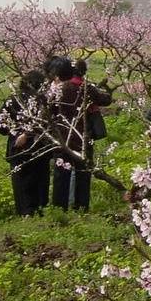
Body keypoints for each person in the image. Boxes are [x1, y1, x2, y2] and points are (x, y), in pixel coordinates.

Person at [48, 58, 113, 211]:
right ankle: (82, 207)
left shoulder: (58, 90)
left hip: (62, 136)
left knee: (61, 174)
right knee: (83, 173)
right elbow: (105, 100)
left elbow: (48, 111)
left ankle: (59, 207)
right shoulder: (86, 88)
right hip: (83, 136)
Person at [0, 70, 52, 216]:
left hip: (18, 148)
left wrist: (14, 132)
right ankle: (40, 210)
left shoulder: (14, 99)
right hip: (41, 147)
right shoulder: (44, 101)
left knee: (21, 184)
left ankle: (25, 213)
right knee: (40, 181)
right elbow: (50, 124)